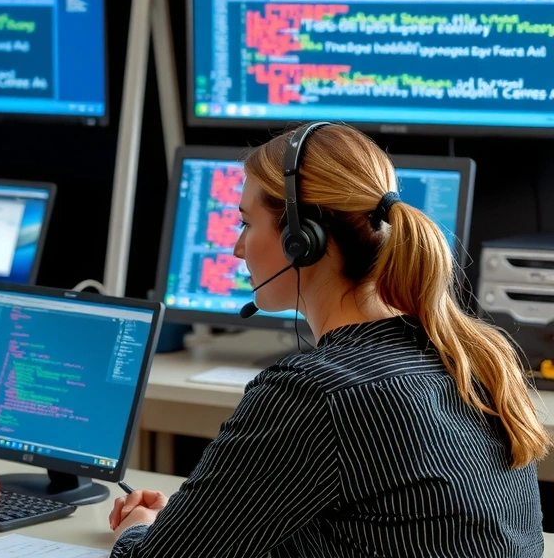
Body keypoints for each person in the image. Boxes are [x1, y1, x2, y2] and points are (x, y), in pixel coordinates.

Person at [109, 121, 549, 557]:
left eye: (246, 223)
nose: (238, 248)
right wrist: (194, 523)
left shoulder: (314, 393)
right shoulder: (473, 356)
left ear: (301, 241)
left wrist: (140, 527)